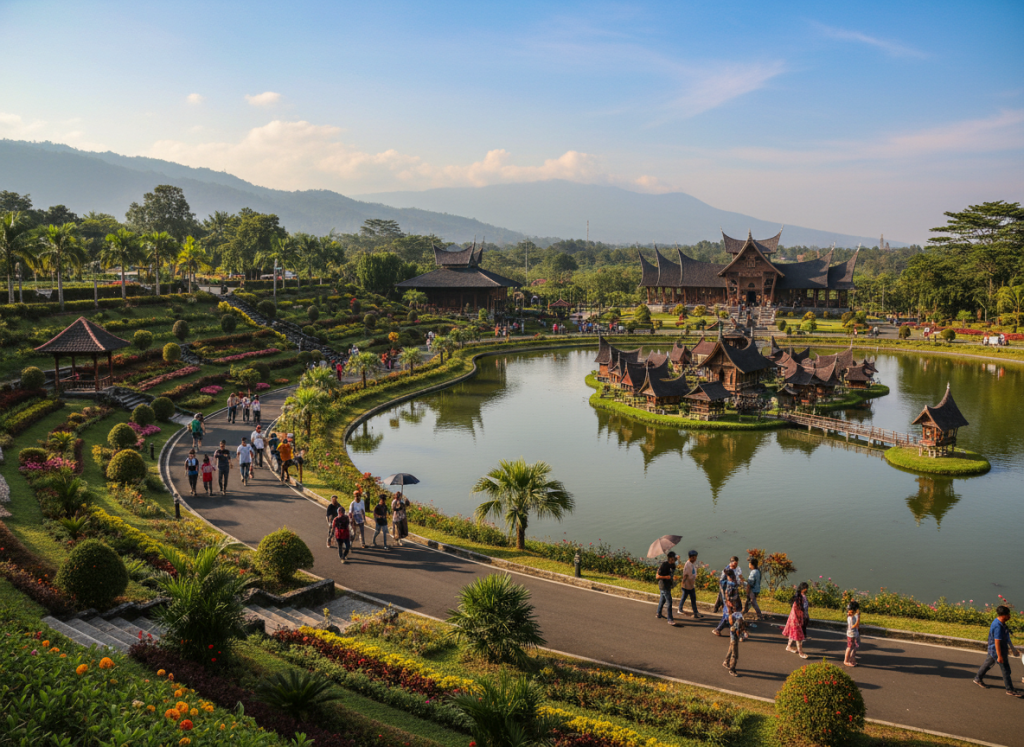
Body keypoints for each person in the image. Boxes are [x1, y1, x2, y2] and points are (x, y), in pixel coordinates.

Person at [974, 605, 1023, 696]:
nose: (1009, 616)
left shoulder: (1002, 623)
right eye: (1008, 614)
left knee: (987, 664)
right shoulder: (998, 626)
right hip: (997, 650)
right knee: (1005, 670)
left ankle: (977, 678)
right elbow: (997, 642)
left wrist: (1013, 649)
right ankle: (1010, 689)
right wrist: (1000, 656)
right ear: (1002, 615)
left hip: (997, 650)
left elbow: (1007, 638)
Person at [782, 586, 809, 658]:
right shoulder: (799, 600)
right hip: (796, 620)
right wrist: (798, 620)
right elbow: (800, 610)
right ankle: (801, 653)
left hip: (796, 619)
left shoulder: (799, 597)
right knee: (798, 637)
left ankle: (788, 647)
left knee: (793, 633)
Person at [655, 551, 680, 626]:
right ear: (669, 558)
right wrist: (667, 577)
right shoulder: (664, 565)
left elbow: (674, 568)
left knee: (662, 600)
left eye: (674, 559)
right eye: (672, 559)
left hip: (668, 585)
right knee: (669, 602)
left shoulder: (672, 565)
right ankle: (670, 619)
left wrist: (673, 578)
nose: (674, 560)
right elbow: (657, 576)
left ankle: (658, 613)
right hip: (663, 585)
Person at [677, 549, 702, 618]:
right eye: (695, 557)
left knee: (689, 598)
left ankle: (695, 612)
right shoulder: (687, 565)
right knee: (690, 598)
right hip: (687, 585)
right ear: (691, 557)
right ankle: (682, 609)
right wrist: (683, 584)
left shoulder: (692, 563)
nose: (695, 559)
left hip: (691, 585)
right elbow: (685, 575)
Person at [723, 606, 746, 677]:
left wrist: (744, 631)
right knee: (735, 654)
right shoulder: (739, 619)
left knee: (731, 649)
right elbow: (737, 630)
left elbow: (740, 627)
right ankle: (732, 669)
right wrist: (740, 637)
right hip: (734, 637)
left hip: (732, 636)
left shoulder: (734, 616)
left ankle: (726, 662)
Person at [744, 558, 764, 623]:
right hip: (757, 589)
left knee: (753, 602)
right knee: (748, 602)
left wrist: (744, 583)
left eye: (749, 564)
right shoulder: (758, 571)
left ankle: (759, 615)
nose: (748, 565)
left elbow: (750, 582)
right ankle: (744, 613)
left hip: (753, 590)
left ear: (752, 565)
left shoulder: (753, 572)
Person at [844, 601, 861, 668]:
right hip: (852, 635)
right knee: (849, 647)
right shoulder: (851, 618)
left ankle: (852, 658)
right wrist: (858, 619)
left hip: (854, 634)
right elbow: (854, 626)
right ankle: (846, 661)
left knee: (855, 646)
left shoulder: (852, 616)